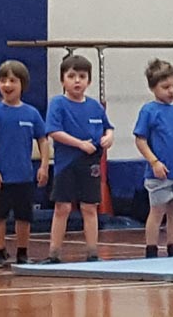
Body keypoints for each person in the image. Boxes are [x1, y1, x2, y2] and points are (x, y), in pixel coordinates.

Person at [41, 55, 115, 264]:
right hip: (67, 164)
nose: (77, 81)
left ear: (88, 81)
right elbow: (54, 131)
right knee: (62, 207)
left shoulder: (95, 106)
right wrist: (79, 144)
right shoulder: (58, 103)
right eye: (71, 76)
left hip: (90, 163)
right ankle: (54, 254)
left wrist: (109, 136)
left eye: (82, 76)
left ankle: (93, 254)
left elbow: (108, 126)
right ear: (62, 80)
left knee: (89, 207)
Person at [0, 60, 50, 267]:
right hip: (1, 176)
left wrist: (44, 166)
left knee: (24, 216)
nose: (7, 85)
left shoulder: (31, 113)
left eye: (12, 80)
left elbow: (43, 140)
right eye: (3, 80)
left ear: (22, 84)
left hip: (24, 175)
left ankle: (22, 253)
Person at [133, 59, 173, 258]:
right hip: (160, 174)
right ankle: (151, 250)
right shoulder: (149, 111)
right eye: (165, 87)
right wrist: (154, 162)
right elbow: (140, 140)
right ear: (153, 88)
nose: (171, 91)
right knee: (157, 211)